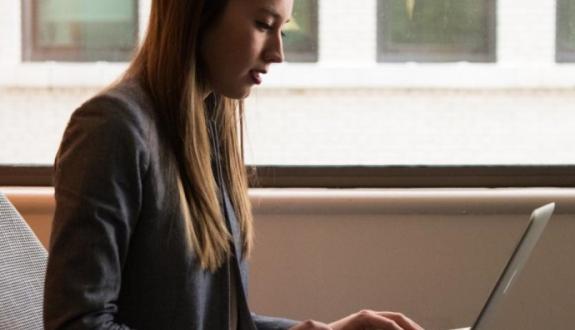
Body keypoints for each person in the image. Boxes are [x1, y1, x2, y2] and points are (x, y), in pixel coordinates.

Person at [43, 0, 425, 329]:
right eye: (262, 24)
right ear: (198, 12)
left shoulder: (207, 129)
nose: (277, 52)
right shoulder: (111, 129)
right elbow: (78, 323)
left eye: (283, 31)